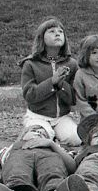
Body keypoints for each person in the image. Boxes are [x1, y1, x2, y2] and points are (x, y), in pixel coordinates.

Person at [0, 120, 77, 191]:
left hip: (47, 161)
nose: (38, 133)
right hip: (21, 160)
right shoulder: (11, 149)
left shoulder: (56, 148)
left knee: (53, 169)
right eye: (33, 131)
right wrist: (17, 143)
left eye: (43, 133)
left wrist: (51, 144)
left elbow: (72, 166)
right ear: (22, 136)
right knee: (16, 168)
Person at [20, 17, 82, 146]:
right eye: (52, 31)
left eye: (60, 31)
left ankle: (53, 136)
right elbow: (30, 95)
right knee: (35, 139)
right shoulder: (31, 64)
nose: (57, 33)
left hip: (62, 117)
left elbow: (74, 99)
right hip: (38, 115)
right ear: (41, 38)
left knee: (75, 139)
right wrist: (52, 82)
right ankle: (45, 134)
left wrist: (61, 85)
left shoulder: (72, 64)